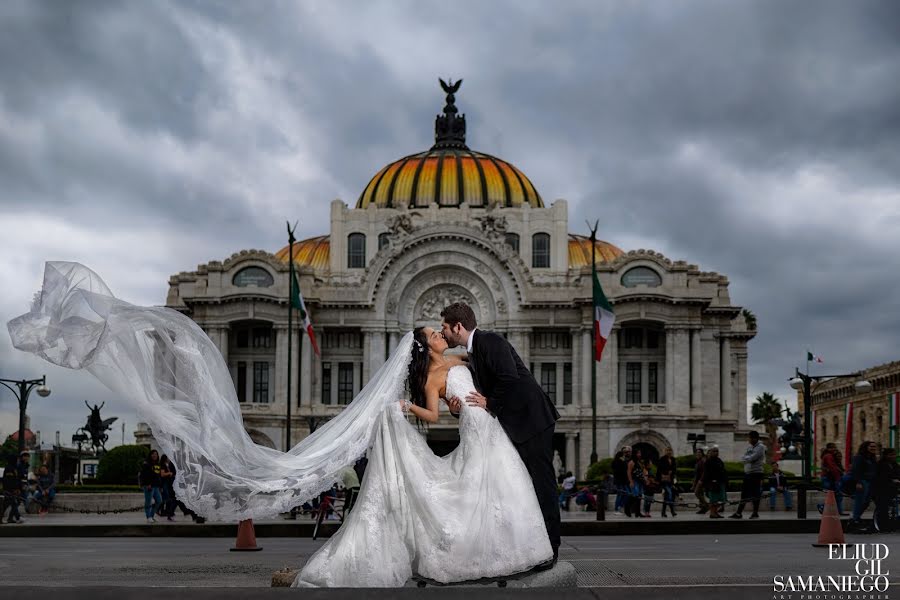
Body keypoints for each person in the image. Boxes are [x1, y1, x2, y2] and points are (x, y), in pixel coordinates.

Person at [8, 263, 553, 587]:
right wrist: (440, 408)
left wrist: (468, 406)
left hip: (491, 430)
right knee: (450, 498)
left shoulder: (467, 358)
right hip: (479, 431)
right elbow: (443, 403)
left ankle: (494, 554)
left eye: (443, 329)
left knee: (465, 496)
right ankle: (488, 557)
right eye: (436, 332)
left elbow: (492, 384)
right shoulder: (443, 367)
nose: (441, 333)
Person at [442, 302, 561, 567]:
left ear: (458, 327)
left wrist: (490, 403)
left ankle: (552, 549)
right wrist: (456, 410)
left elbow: (509, 378)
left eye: (445, 327)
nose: (443, 333)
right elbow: (480, 393)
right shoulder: (475, 351)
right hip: (516, 424)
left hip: (532, 421)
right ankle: (534, 545)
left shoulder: (490, 340)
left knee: (542, 484)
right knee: (526, 486)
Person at [729, 431, 765, 519]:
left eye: (750, 438)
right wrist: (747, 458)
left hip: (756, 473)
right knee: (744, 493)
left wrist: (746, 458)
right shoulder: (749, 447)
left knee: (755, 494)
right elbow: (744, 458)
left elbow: (752, 458)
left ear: (755, 438)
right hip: (748, 473)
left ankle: (755, 513)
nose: (748, 440)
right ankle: (738, 513)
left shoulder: (760, 447)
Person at [849, 440, 879, 526]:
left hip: (870, 482)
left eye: (874, 446)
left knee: (866, 502)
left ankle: (856, 517)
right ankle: (855, 519)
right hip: (863, 482)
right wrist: (858, 482)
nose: (873, 448)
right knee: (860, 501)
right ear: (866, 447)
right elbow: (856, 470)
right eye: (871, 446)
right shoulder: (859, 457)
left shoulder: (872, 458)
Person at [873, 448, 899, 533]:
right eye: (891, 455)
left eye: (894, 454)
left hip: (892, 489)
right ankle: (883, 527)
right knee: (883, 508)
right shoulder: (881, 464)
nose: (893, 456)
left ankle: (892, 525)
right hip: (881, 490)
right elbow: (880, 477)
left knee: (891, 507)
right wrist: (891, 480)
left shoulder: (894, 464)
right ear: (886, 455)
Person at [817, 443, 846, 515]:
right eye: (833, 448)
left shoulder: (828, 456)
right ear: (829, 448)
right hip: (829, 478)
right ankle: (823, 507)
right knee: (836, 495)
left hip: (829, 478)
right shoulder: (828, 456)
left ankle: (838, 511)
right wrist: (838, 478)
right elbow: (832, 467)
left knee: (835, 495)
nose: (835, 449)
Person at [139, 449, 163, 524]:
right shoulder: (146, 464)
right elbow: (144, 475)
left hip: (156, 486)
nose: (154, 455)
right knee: (148, 502)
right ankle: (148, 517)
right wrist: (148, 484)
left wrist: (160, 486)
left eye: (156, 454)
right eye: (153, 454)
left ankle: (151, 516)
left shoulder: (158, 464)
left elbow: (158, 476)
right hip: (149, 486)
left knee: (159, 501)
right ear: (150, 455)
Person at [703, 447, 727, 519]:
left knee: (719, 499)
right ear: (710, 452)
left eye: (717, 451)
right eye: (714, 451)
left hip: (720, 482)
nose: (716, 453)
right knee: (713, 499)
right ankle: (712, 513)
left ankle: (715, 512)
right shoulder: (708, 461)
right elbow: (707, 473)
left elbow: (723, 470)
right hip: (713, 483)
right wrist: (711, 481)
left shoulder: (719, 460)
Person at [2, 456, 25, 524]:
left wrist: (17, 488)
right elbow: (9, 480)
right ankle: (17, 517)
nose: (18, 461)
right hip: (9, 490)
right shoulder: (9, 468)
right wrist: (14, 489)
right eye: (16, 460)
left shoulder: (14, 468)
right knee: (12, 503)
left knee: (9, 504)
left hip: (12, 489)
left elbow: (15, 479)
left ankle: (10, 518)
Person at [657, 447, 677, 517]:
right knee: (669, 494)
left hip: (670, 480)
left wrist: (672, 472)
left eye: (670, 450)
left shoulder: (673, 459)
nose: (669, 452)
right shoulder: (662, 459)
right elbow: (659, 470)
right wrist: (666, 472)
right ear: (665, 451)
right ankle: (672, 511)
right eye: (667, 450)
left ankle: (664, 512)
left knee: (667, 496)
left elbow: (674, 469)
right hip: (664, 480)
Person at [626, 448, 646, 518]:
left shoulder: (639, 462)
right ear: (635, 454)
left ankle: (638, 512)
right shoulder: (631, 462)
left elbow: (642, 471)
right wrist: (631, 482)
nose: (640, 454)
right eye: (638, 453)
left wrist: (645, 478)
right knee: (635, 496)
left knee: (639, 497)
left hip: (640, 481)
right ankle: (627, 508)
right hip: (635, 481)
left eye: (640, 453)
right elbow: (628, 472)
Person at [159, 454, 177, 521]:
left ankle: (166, 512)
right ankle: (163, 511)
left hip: (167, 483)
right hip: (164, 483)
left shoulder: (167, 464)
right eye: (168, 457)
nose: (169, 458)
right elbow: (162, 474)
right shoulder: (163, 465)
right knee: (167, 498)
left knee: (167, 498)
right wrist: (169, 473)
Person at [692, 448, 709, 515]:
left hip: (702, 480)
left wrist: (701, 480)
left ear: (702, 453)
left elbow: (705, 471)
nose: (698, 453)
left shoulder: (703, 460)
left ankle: (706, 505)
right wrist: (694, 483)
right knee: (700, 493)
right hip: (699, 480)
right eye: (697, 452)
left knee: (697, 493)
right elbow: (696, 473)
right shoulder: (698, 461)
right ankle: (703, 508)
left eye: (699, 452)